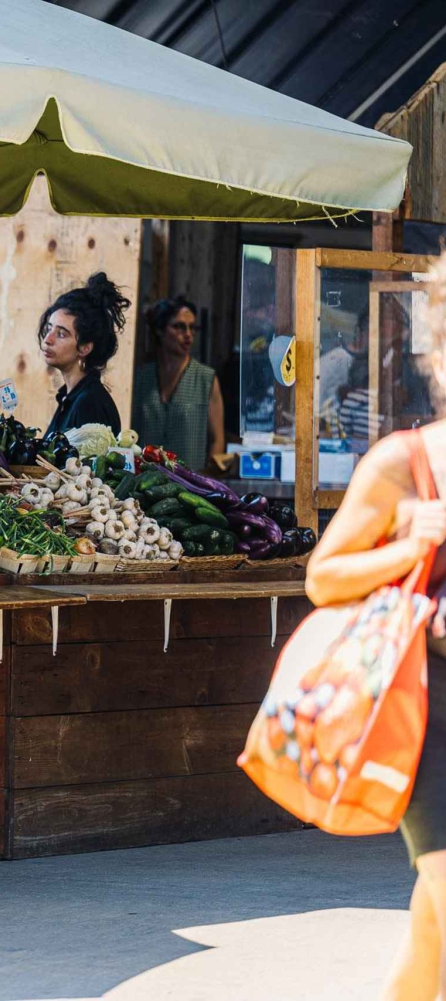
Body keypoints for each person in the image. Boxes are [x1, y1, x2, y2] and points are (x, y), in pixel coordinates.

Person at [307, 256, 446, 1001]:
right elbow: (322, 577)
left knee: (433, 924)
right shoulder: (405, 462)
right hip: (432, 708)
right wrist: (410, 541)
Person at [131, 296, 225, 470]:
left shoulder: (206, 378)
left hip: (189, 485)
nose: (188, 334)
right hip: (144, 482)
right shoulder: (141, 378)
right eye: (178, 327)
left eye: (192, 328)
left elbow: (217, 440)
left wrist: (208, 482)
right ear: (160, 330)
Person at [40, 272, 126, 436]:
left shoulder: (89, 403)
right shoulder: (70, 397)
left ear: (85, 348)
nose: (48, 339)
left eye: (62, 334)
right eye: (49, 328)